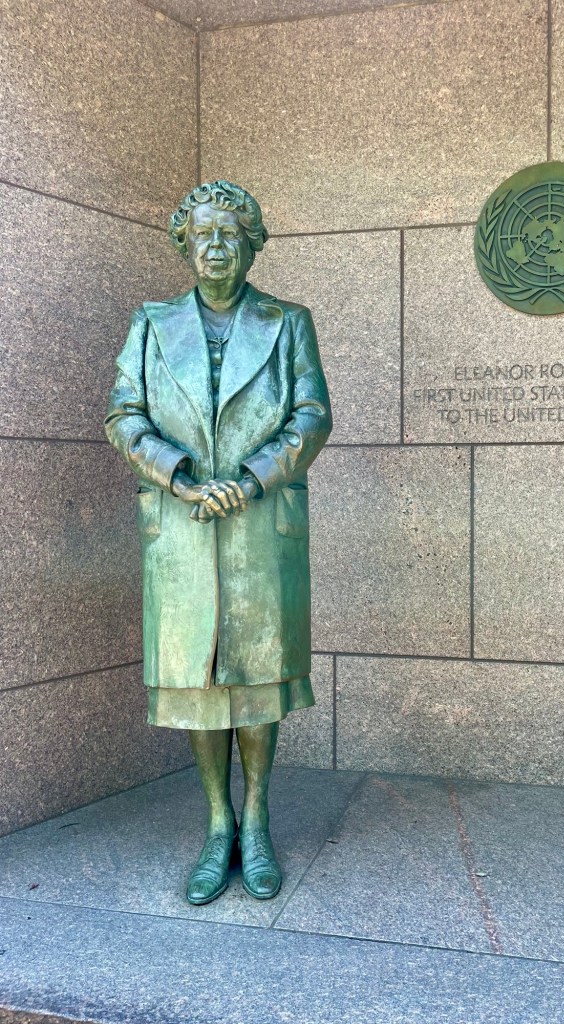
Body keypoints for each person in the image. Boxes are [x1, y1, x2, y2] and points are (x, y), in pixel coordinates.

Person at [105, 180, 332, 905]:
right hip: (180, 525)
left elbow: (312, 415)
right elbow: (123, 415)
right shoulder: (151, 324)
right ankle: (217, 821)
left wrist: (253, 478)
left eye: (229, 234)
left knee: (257, 676)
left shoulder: (287, 322)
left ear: (252, 245)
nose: (214, 246)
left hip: (260, 523)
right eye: (202, 234)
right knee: (195, 682)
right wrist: (177, 476)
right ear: (184, 244)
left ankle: (257, 819)